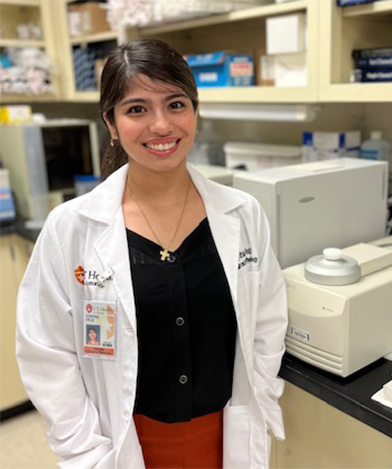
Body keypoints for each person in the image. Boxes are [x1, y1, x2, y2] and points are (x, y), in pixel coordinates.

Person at [16, 39, 288, 469]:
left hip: (225, 439)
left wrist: (264, 393)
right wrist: (86, 449)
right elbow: (46, 351)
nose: (161, 125)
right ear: (111, 121)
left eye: (176, 104)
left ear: (195, 111)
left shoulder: (242, 215)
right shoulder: (71, 228)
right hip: (121, 445)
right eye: (137, 109)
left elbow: (268, 322)